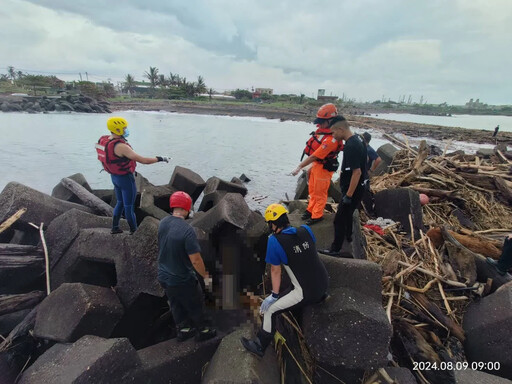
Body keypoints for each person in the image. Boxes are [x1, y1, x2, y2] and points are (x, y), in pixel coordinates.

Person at [241, 203, 329, 357]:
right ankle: (320, 296)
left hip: (306, 292)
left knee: (270, 310)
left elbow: (275, 271)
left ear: (273, 224)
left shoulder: (275, 241)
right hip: (323, 283)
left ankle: (260, 345)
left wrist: (274, 296)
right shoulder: (305, 229)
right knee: (293, 289)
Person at [157, 191, 216, 342]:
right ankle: (204, 330)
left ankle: (184, 330)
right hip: (181, 278)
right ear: (187, 208)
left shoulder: (163, 222)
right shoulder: (187, 231)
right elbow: (196, 260)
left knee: (176, 304)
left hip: (163, 275)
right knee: (196, 303)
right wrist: (205, 276)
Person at [95, 116, 169, 234]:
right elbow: (143, 160)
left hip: (114, 177)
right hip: (126, 179)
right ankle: (134, 231)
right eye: (124, 128)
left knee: (120, 202)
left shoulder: (106, 140)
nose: (126, 130)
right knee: (129, 206)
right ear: (118, 129)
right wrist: (160, 158)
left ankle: (115, 227)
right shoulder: (121, 146)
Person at [320, 116, 368, 256]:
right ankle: (349, 235)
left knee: (339, 220)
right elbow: (363, 163)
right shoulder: (359, 138)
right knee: (348, 214)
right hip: (360, 186)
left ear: (341, 129)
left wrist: (348, 195)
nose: (333, 136)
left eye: (334, 132)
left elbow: (356, 172)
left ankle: (336, 249)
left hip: (353, 189)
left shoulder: (351, 146)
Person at [291, 103, 343, 225]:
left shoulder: (331, 140)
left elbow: (315, 155)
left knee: (320, 193)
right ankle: (310, 210)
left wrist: (300, 167)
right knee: (313, 190)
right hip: (317, 165)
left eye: (323, 121)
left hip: (324, 167)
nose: (320, 124)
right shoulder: (324, 133)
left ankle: (317, 215)